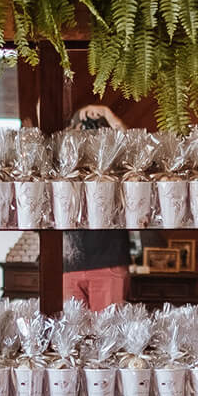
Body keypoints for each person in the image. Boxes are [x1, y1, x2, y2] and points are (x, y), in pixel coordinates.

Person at [62, 103, 131, 308]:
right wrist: (73, 125)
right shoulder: (63, 165)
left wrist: (109, 115)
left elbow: (132, 146)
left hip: (108, 262)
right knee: (69, 328)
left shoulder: (116, 167)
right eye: (80, 129)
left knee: (108, 328)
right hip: (67, 266)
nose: (86, 135)